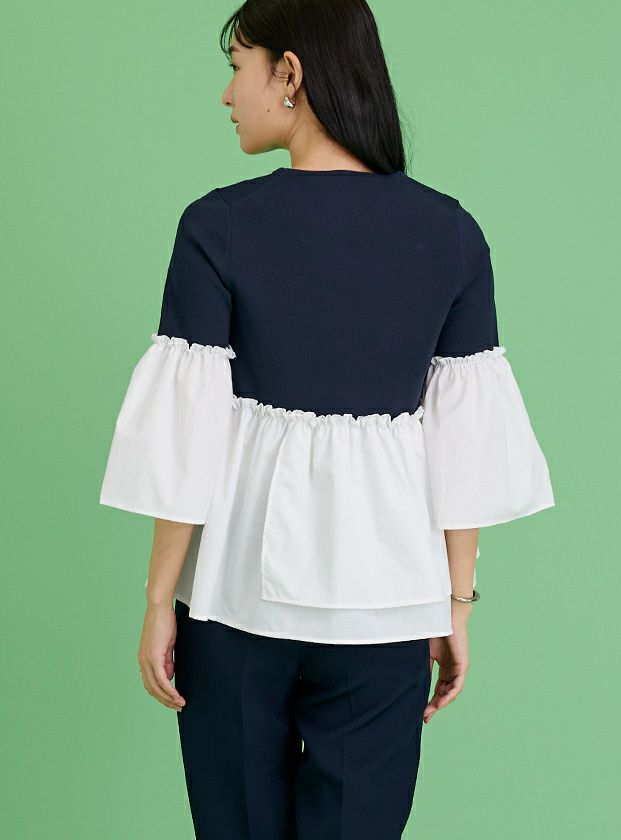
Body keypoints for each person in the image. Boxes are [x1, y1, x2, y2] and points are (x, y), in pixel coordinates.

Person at [99, 1, 555, 837]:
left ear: (290, 73)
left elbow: (188, 440)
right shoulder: (452, 233)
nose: (227, 93)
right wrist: (455, 605)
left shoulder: (217, 226)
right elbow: (465, 446)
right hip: (388, 606)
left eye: (237, 67)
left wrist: (159, 599)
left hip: (233, 602)